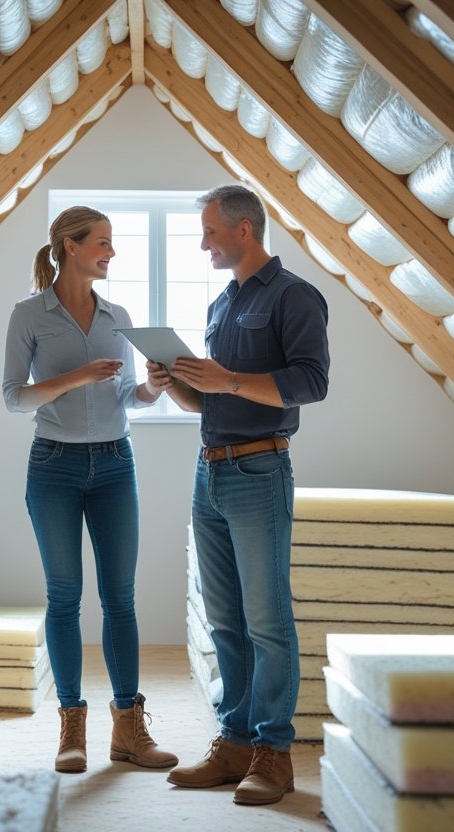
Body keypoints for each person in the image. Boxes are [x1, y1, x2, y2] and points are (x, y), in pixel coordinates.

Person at [150, 185, 329, 805]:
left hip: (259, 473)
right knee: (226, 619)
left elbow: (311, 383)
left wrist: (225, 376)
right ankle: (233, 743)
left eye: (209, 231)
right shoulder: (224, 304)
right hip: (211, 473)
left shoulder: (295, 296)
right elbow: (215, 400)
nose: (203, 243)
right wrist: (177, 383)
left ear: (243, 231)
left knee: (267, 622)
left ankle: (274, 755)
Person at [2, 206, 178, 775]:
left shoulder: (118, 316)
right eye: (102, 242)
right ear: (70, 246)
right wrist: (77, 376)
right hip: (52, 466)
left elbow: (127, 396)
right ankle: (71, 729)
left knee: (120, 598)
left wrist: (151, 389)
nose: (110, 252)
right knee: (64, 596)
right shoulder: (29, 314)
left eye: (111, 243)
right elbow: (13, 397)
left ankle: (129, 729)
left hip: (114, 463)